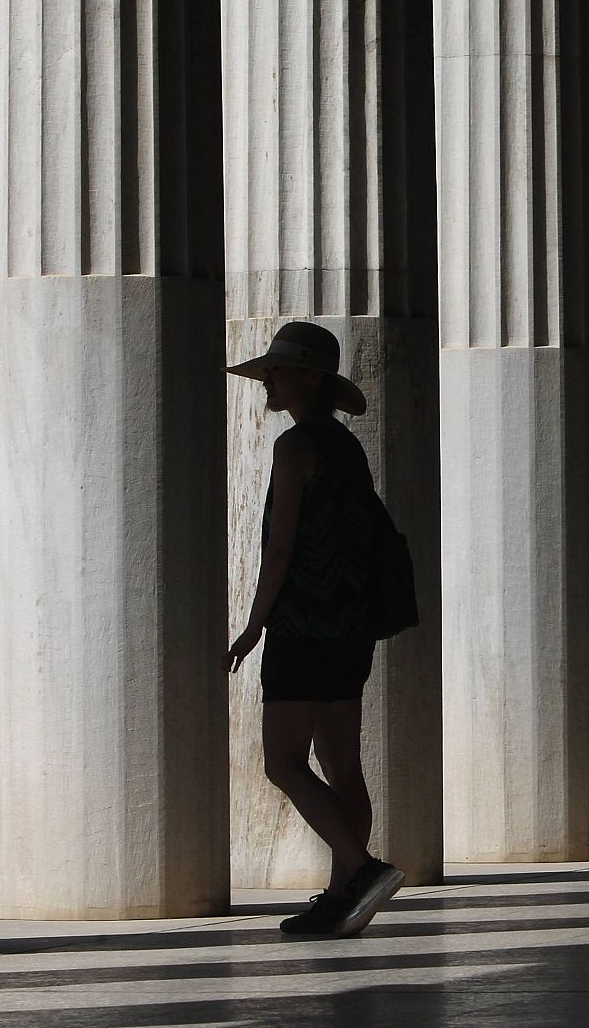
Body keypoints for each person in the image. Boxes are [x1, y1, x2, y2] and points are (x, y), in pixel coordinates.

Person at [225, 322, 405, 937]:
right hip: (350, 627)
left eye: (277, 370)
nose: (268, 379)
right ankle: (341, 898)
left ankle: (359, 870)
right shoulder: (344, 446)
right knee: (342, 767)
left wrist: (253, 627)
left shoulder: (295, 447)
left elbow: (279, 550)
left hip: (303, 626)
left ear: (307, 378)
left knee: (283, 761)